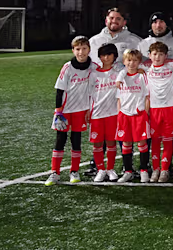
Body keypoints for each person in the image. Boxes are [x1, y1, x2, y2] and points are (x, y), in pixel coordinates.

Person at [46, 36, 93, 186]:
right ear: (73, 50)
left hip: (81, 110)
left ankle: (74, 171)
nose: (81, 52)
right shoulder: (67, 67)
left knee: (76, 140)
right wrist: (58, 112)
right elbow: (60, 90)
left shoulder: (93, 67)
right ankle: (55, 172)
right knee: (60, 139)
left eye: (84, 48)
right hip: (65, 110)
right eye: (78, 49)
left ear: (89, 50)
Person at [114, 49, 151, 183]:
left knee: (142, 143)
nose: (131, 63)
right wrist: (120, 114)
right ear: (124, 62)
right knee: (126, 143)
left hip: (139, 114)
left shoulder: (142, 76)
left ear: (139, 62)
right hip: (124, 115)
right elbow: (119, 98)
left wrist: (145, 113)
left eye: (135, 60)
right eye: (129, 60)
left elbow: (147, 96)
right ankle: (128, 171)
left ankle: (143, 170)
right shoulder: (121, 77)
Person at [146, 41, 173, 182]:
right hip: (154, 109)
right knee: (155, 141)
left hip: (170, 108)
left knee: (167, 141)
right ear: (149, 55)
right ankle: (155, 170)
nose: (157, 57)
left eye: (161, 54)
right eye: (155, 54)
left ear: (166, 56)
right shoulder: (146, 70)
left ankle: (165, 170)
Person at [89, 43, 121, 182]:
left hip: (112, 114)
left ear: (115, 56)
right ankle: (101, 169)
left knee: (111, 142)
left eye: (109, 54)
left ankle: (110, 169)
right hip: (96, 114)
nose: (106, 57)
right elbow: (88, 94)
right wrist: (87, 111)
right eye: (103, 55)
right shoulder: (93, 74)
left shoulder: (118, 73)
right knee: (97, 143)